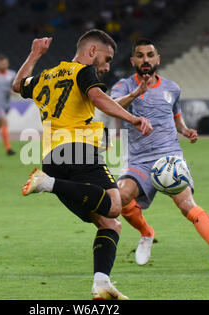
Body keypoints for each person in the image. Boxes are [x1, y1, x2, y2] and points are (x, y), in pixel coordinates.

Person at [12, 30, 152, 300]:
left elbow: (18, 85)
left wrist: (34, 55)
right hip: (78, 150)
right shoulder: (84, 71)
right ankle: (46, 184)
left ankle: (101, 284)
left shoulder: (48, 76)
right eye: (107, 58)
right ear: (91, 52)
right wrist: (133, 120)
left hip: (53, 158)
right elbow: (100, 99)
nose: (108, 66)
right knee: (114, 206)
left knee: (111, 224)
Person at [111, 38, 209, 269]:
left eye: (150, 55)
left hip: (170, 158)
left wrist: (186, 130)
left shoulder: (172, 88)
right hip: (139, 160)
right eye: (140, 56)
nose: (145, 60)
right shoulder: (124, 86)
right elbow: (112, 106)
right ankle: (147, 233)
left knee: (186, 204)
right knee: (119, 200)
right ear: (133, 61)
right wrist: (136, 93)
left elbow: (175, 117)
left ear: (158, 59)